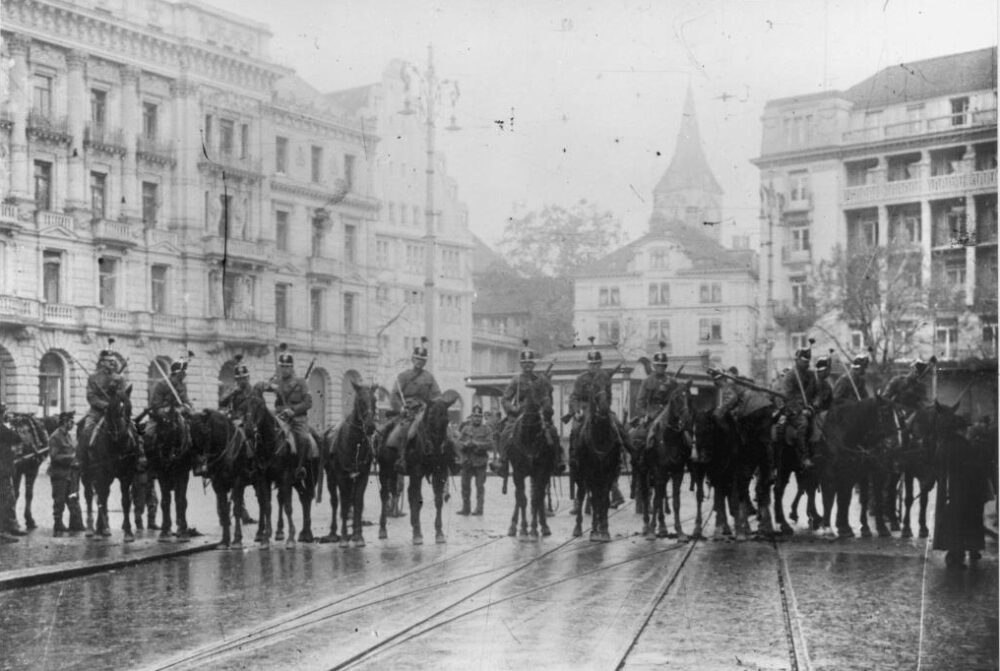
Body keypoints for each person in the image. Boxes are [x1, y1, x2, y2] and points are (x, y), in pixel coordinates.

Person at [492, 341, 564, 478]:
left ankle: (557, 460)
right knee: (506, 433)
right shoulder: (516, 380)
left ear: (534, 364)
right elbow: (505, 399)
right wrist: (513, 409)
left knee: (552, 431)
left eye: (530, 363)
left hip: (537, 414)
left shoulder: (540, 379)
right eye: (524, 363)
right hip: (518, 414)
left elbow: (547, 397)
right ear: (521, 364)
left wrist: (545, 404)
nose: (527, 366)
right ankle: (502, 461)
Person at [569, 339, 625, 509]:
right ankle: (574, 457)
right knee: (576, 430)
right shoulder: (581, 378)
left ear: (600, 364)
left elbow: (609, 396)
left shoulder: (605, 377)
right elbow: (574, 397)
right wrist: (577, 410)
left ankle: (625, 453)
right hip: (585, 410)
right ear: (588, 364)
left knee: (617, 427)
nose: (594, 366)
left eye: (596, 364)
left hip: (602, 409)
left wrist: (604, 407)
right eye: (591, 364)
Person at [933, 418, 992, 569]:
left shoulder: (943, 445)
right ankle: (957, 556)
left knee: (951, 523)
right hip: (965, 492)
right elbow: (975, 469)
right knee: (964, 523)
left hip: (947, 492)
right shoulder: (966, 446)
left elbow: (937, 467)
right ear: (960, 430)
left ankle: (954, 554)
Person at [388, 338, 441, 474]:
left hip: (424, 410)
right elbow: (394, 395)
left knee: (443, 430)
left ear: (425, 362)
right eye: (417, 359)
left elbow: (437, 395)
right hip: (407, 411)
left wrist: (434, 406)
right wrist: (401, 408)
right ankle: (401, 459)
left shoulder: (429, 377)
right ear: (412, 359)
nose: (419, 362)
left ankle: (446, 461)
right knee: (400, 431)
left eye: (422, 360)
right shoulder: (403, 376)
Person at [268, 344, 316, 480]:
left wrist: (293, 410)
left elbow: (308, 402)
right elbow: (269, 391)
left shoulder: (301, 382)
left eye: (287, 366)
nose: (284, 369)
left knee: (303, 438)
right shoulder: (276, 382)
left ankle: (301, 467)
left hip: (298, 419)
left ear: (292, 367)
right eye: (282, 366)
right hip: (281, 418)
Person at [628, 341, 679, 453]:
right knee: (638, 436)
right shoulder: (647, 381)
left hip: (668, 411)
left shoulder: (672, 381)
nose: (661, 368)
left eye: (663, 366)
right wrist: (644, 414)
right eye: (658, 365)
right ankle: (643, 454)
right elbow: (640, 401)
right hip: (651, 413)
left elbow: (676, 399)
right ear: (654, 366)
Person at [146, 357, 192, 466]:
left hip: (179, 416)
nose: (184, 375)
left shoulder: (182, 386)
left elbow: (186, 402)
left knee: (195, 432)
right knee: (148, 434)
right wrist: (164, 411)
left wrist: (183, 408)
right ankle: (146, 461)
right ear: (177, 373)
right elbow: (155, 405)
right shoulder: (161, 384)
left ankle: (195, 461)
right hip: (161, 417)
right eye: (183, 373)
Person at [779, 343, 818, 470]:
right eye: (804, 361)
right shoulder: (790, 376)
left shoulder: (812, 375)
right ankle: (804, 457)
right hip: (794, 411)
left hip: (810, 409)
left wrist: (812, 407)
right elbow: (787, 397)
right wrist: (801, 411)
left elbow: (817, 394)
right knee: (803, 424)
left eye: (808, 361)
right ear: (797, 360)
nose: (807, 363)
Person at [79, 348, 126, 450]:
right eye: (109, 360)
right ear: (102, 362)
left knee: (133, 429)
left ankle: (139, 454)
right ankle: (82, 456)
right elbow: (91, 396)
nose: (112, 362)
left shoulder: (119, 378)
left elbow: (124, 396)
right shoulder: (93, 377)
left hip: (115, 412)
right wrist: (104, 405)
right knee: (86, 430)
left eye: (113, 360)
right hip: (97, 412)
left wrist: (115, 392)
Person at [49, 411, 84, 536]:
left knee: (73, 498)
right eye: (71, 421)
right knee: (59, 500)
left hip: (71, 474)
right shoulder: (55, 437)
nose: (72, 424)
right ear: (64, 422)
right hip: (60, 474)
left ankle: (76, 524)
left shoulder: (69, 436)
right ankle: (58, 524)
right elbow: (54, 457)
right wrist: (71, 458)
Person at [457, 406, 493, 516]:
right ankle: (466, 508)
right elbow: (458, 443)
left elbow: (490, 444)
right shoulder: (465, 429)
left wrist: (477, 444)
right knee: (465, 487)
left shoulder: (487, 429)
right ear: (472, 417)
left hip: (480, 462)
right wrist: (465, 444)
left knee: (480, 487)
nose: (477, 419)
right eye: (475, 416)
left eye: (479, 416)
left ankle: (479, 508)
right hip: (467, 461)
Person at [0, 405, 25, 542]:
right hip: (2, 471)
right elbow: (17, 438)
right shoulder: (2, 429)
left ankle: (7, 527)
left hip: (3, 470)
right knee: (5, 499)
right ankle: (2, 532)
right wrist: (14, 426)